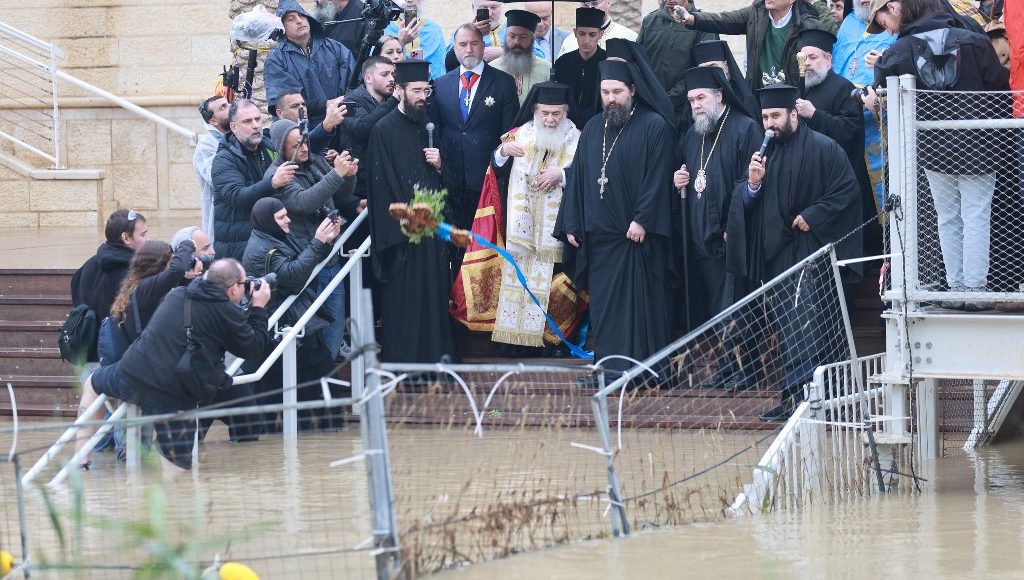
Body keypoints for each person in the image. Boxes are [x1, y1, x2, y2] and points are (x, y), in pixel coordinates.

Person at [725, 84, 861, 419]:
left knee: (812, 329)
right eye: (765, 117)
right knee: (789, 332)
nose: (770, 123)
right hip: (778, 257)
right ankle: (793, 400)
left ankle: (818, 401)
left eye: (776, 116)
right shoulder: (763, 152)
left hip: (813, 256)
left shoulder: (824, 148)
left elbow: (847, 191)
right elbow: (744, 195)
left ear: (793, 114)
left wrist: (813, 216)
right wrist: (754, 184)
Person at [867, 0, 1009, 307]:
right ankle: (974, 291)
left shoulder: (897, 53)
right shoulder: (975, 41)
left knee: (947, 218)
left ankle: (956, 290)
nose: (886, 30)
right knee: (976, 215)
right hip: (980, 143)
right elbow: (1000, 90)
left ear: (893, 7)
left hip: (931, 147)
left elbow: (881, 94)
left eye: (882, 21)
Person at [75, 259, 272, 472]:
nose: (248, 287)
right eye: (245, 283)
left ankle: (81, 461)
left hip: (131, 373)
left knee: (92, 383)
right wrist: (258, 308)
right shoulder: (228, 314)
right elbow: (253, 348)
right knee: (176, 473)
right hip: (171, 395)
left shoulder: (178, 294)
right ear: (234, 289)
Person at [553, 60, 675, 378]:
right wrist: (572, 223)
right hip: (600, 239)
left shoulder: (654, 126)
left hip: (634, 239)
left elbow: (658, 177)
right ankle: (608, 369)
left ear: (633, 90)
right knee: (605, 311)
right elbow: (578, 177)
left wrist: (643, 219)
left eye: (617, 92)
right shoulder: (594, 127)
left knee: (637, 309)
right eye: (605, 91)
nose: (610, 98)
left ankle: (639, 373)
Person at [366, 59, 455, 363]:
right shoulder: (383, 129)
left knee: (434, 300)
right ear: (400, 90)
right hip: (405, 237)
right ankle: (405, 368)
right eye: (416, 90)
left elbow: (448, 180)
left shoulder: (430, 125)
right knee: (405, 303)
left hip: (433, 234)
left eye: (425, 90)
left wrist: (441, 163)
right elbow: (380, 185)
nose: (422, 96)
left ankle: (436, 365)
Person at [490, 82, 581, 349]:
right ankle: (513, 341)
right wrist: (502, 152)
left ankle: (554, 341)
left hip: (557, 227)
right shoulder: (519, 134)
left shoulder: (577, 137)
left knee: (555, 284)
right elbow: (495, 170)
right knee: (517, 277)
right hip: (522, 223)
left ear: (565, 112)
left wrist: (562, 175)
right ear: (534, 110)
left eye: (556, 113)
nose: (550, 119)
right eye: (545, 113)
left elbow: (586, 173)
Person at [242, 198, 343, 430]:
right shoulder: (262, 248)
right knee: (310, 374)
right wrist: (318, 241)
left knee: (317, 373)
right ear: (268, 221)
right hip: (281, 324)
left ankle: (321, 428)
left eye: (286, 214)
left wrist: (327, 241)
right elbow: (293, 274)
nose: (288, 219)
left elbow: (305, 260)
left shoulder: (275, 236)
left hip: (294, 321)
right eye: (281, 217)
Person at [264, 118, 358, 357]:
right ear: (281, 148)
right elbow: (304, 202)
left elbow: (342, 193)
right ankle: (319, 380)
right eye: (296, 145)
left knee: (336, 325)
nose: (304, 148)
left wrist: (348, 176)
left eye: (305, 141)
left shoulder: (315, 161)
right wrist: (337, 175)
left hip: (330, 257)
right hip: (306, 262)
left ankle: (327, 375)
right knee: (314, 333)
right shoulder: (278, 174)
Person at [674, 67, 762, 318]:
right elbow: (689, 177)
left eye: (701, 98)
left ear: (720, 95)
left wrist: (732, 223)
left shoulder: (746, 129)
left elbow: (752, 182)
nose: (696, 105)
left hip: (732, 241)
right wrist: (678, 180)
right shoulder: (693, 135)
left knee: (733, 316)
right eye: (691, 100)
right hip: (700, 242)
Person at [794, 28, 871, 269]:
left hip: (837, 185)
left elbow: (849, 131)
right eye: (802, 58)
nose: (807, 64)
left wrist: (815, 115)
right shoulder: (799, 89)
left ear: (828, 59)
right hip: (807, 183)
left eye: (813, 57)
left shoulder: (843, 88)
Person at [431, 24, 519, 234]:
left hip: (488, 179)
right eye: (462, 44)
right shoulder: (441, 84)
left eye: (474, 43)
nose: (468, 49)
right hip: (451, 181)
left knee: (485, 244)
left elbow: (510, 131)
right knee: (455, 245)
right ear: (454, 48)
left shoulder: (503, 83)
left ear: (482, 45)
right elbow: (436, 129)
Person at [832, 0, 896, 234]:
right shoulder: (848, 24)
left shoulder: (894, 23)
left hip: (882, 122)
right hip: (850, 120)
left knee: (887, 189)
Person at [674, 0, 827, 89]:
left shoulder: (808, 25)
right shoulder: (757, 12)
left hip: (791, 103)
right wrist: (692, 18)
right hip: (758, 97)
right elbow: (724, 19)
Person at [211, 99, 294, 261]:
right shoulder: (224, 159)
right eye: (248, 121)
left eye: (258, 119)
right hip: (238, 248)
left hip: (270, 242)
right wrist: (272, 183)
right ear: (233, 127)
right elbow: (237, 197)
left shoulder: (269, 145)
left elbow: (295, 147)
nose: (255, 125)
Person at [71, 209, 149, 366]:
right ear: (126, 238)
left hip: (87, 355)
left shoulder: (89, 264)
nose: (148, 239)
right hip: (118, 360)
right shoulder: (133, 272)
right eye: (143, 235)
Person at [263, 0, 356, 128]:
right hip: (301, 132)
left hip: (342, 123)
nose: (299, 21)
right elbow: (286, 103)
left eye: (301, 16)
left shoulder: (335, 48)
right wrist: (326, 104)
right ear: (282, 28)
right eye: (291, 19)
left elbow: (355, 83)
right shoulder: (276, 59)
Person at [638, 0, 718, 127]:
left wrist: (669, 99)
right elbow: (639, 63)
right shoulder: (649, 21)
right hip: (650, 109)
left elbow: (702, 71)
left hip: (686, 112)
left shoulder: (702, 25)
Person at [341, 56, 400, 202]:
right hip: (362, 185)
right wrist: (394, 101)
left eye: (393, 74)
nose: (391, 79)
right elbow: (362, 129)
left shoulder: (389, 100)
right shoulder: (350, 101)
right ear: (368, 78)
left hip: (388, 177)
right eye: (384, 74)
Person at [553, 7, 608, 129]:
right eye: (582, 34)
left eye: (592, 34)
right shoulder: (563, 62)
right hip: (566, 126)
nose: (586, 40)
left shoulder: (608, 62)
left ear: (600, 34)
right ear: (575, 32)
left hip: (600, 126)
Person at [691, 39, 762, 121]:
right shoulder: (694, 103)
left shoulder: (745, 100)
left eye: (713, 66)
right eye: (702, 69)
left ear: (726, 66)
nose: (709, 72)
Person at [490, 10, 551, 104]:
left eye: (522, 37)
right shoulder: (492, 68)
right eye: (512, 36)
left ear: (532, 39)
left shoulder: (547, 70)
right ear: (505, 37)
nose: (516, 42)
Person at [195, 96, 230, 243]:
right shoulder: (206, 146)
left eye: (228, 103)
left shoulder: (239, 135)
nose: (230, 107)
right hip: (223, 221)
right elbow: (218, 179)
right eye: (223, 107)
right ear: (213, 121)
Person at [384, 1, 448, 79]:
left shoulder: (434, 30)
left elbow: (439, 69)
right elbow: (379, 66)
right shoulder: (385, 28)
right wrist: (400, 42)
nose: (408, 0)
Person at [273, 90, 348, 156]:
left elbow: (312, 151)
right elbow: (301, 150)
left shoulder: (305, 128)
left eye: (304, 104)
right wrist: (326, 126)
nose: (302, 109)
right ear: (280, 113)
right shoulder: (278, 134)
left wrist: (327, 155)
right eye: (295, 106)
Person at [557, 0, 639, 57]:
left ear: (608, 2)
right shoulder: (569, 41)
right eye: (585, 5)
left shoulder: (629, 38)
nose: (590, 9)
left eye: (595, 3)